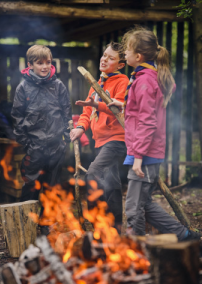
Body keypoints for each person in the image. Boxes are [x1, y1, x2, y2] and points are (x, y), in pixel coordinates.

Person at [108, 27, 201, 241]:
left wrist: (138, 158)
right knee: (144, 204)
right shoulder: (144, 77)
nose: (125, 53)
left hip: (144, 154)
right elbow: (141, 110)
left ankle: (139, 252)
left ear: (138, 56)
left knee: (132, 208)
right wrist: (122, 105)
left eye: (127, 50)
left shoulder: (144, 81)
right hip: (142, 151)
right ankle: (186, 235)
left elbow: (148, 122)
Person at [70, 42, 129, 233]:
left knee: (93, 173)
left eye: (111, 58)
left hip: (117, 139)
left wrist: (97, 105)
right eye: (104, 55)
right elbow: (87, 111)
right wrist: (80, 127)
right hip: (100, 140)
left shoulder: (123, 81)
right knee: (111, 184)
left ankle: (100, 222)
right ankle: (115, 228)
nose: (104, 59)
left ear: (120, 64)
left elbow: (117, 109)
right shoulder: (97, 83)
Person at [11, 45, 72, 204]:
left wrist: (66, 139)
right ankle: (27, 224)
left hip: (56, 146)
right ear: (30, 65)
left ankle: (46, 225)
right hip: (34, 147)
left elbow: (67, 113)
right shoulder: (23, 88)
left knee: (52, 187)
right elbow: (17, 116)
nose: (45, 67)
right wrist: (27, 143)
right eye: (40, 63)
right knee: (31, 185)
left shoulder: (58, 86)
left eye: (48, 62)